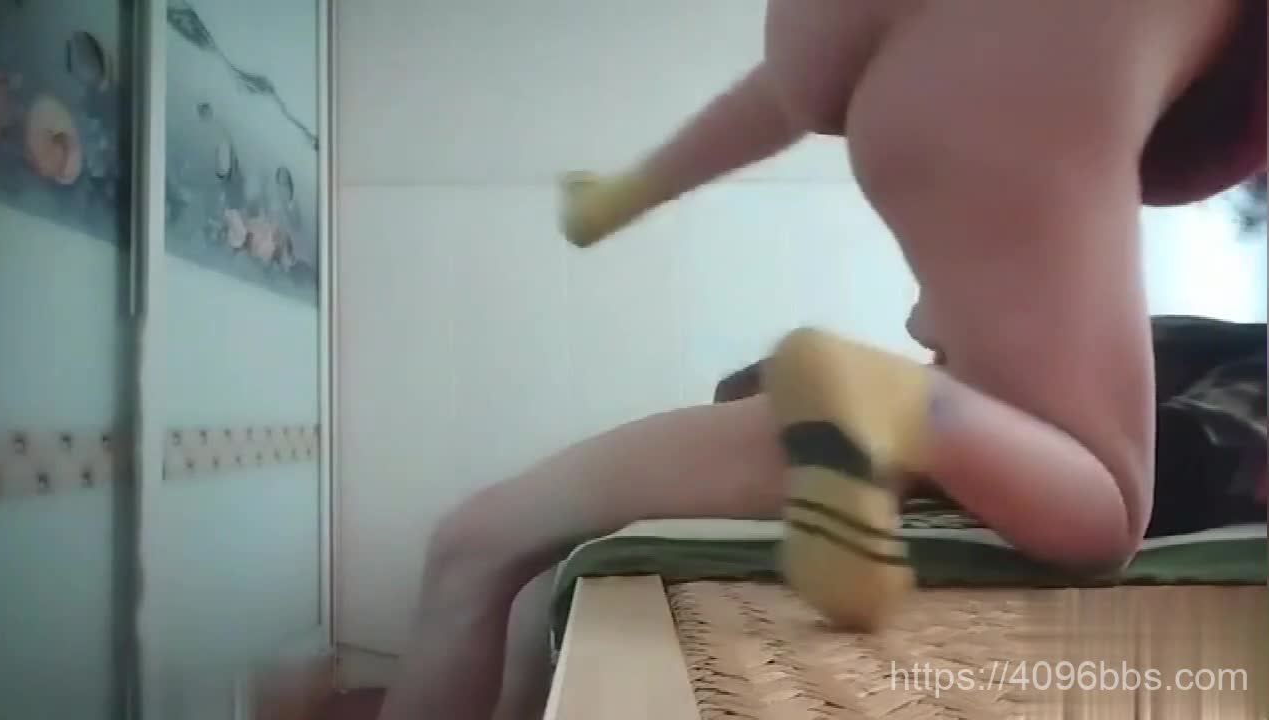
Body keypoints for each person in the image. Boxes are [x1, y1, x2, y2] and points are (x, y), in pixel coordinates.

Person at [378, 1, 1265, 717]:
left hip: (844, 54)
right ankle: (896, 401)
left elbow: (787, 91)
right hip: (1035, 75)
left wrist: (633, 189)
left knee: (474, 545)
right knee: (1104, 512)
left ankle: (903, 406)